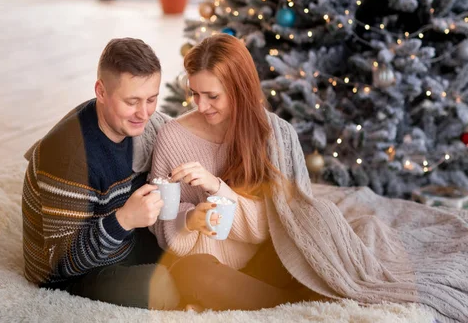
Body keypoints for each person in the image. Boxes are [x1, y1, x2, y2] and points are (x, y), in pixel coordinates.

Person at [149, 33, 468, 321]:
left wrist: (218, 188)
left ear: (239, 90)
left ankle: (259, 299)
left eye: (212, 96)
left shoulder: (273, 134)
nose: (201, 105)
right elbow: (163, 227)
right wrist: (192, 219)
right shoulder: (172, 137)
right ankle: (287, 304)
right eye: (194, 94)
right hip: (208, 260)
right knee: (190, 273)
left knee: (310, 258)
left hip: (267, 255)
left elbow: (281, 222)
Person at [21, 37, 179, 310]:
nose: (144, 113)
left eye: (151, 99)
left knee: (193, 253)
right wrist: (125, 219)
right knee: (163, 286)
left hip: (118, 242)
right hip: (69, 273)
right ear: (101, 92)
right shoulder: (69, 157)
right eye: (132, 101)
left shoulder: (131, 127)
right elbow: (60, 262)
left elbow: (178, 132)